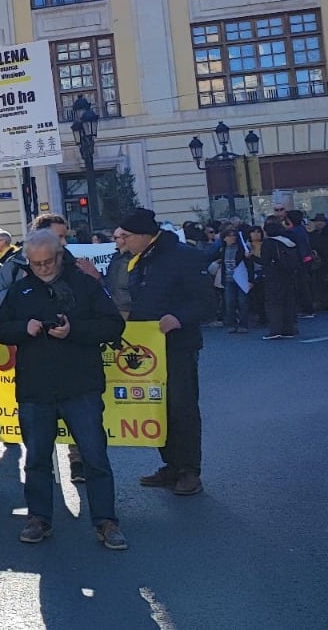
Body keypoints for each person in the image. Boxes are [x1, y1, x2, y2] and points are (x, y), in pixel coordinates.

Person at [0, 230, 128, 550]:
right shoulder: (21, 288)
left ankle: (106, 521)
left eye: (48, 262)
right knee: (37, 458)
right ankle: (39, 517)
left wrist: (74, 331)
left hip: (81, 386)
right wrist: (23, 328)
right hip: (35, 388)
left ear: (60, 254)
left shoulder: (85, 284)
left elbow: (113, 325)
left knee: (94, 457)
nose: (43, 268)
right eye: (35, 264)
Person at [117, 208, 210, 497]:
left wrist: (179, 318)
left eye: (127, 236)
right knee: (158, 407)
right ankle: (170, 464)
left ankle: (189, 470)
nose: (122, 242)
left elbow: (207, 301)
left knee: (182, 407)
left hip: (178, 344)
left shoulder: (185, 256)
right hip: (147, 347)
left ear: (145, 235)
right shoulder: (139, 259)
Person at [259, 216, 303, 340]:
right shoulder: (288, 241)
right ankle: (288, 329)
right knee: (288, 302)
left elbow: (264, 261)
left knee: (273, 303)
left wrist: (252, 257)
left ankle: (275, 329)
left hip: (273, 276)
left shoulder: (268, 243)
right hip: (288, 275)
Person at [308, 214, 328, 312]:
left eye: (320, 221)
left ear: (325, 222)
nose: (318, 223)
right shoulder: (313, 234)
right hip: (318, 261)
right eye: (317, 221)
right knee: (321, 283)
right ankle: (325, 302)